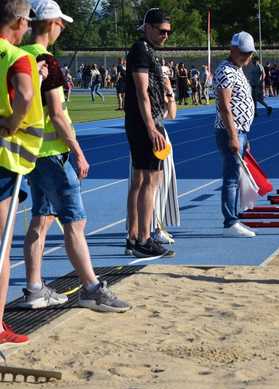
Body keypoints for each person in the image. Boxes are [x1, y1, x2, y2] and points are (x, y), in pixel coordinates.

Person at [19, 0, 130, 313]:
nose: (63, 28)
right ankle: (91, 288)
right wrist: (78, 152)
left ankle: (35, 288)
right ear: (51, 24)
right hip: (54, 154)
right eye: (60, 24)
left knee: (41, 220)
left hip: (32, 154)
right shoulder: (46, 62)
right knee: (75, 221)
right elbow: (56, 113)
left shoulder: (21, 57)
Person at [0, 0, 44, 349]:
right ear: (17, 21)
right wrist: (12, 124)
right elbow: (26, 95)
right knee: (1, 247)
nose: (29, 27)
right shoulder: (16, 56)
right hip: (4, 158)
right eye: (27, 21)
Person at [124, 8, 175, 258]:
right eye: (161, 31)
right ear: (148, 27)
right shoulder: (142, 49)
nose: (165, 36)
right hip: (146, 124)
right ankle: (144, 238)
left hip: (144, 123)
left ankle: (134, 236)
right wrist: (152, 127)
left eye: (168, 32)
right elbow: (141, 91)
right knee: (149, 180)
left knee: (141, 180)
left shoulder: (147, 50)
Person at [213, 31, 257, 238]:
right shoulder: (226, 71)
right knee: (231, 177)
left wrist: (244, 136)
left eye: (249, 54)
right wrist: (233, 135)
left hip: (241, 130)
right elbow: (225, 106)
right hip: (231, 130)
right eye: (243, 53)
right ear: (233, 49)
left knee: (235, 175)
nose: (247, 57)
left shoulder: (236, 69)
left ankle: (234, 217)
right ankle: (230, 222)